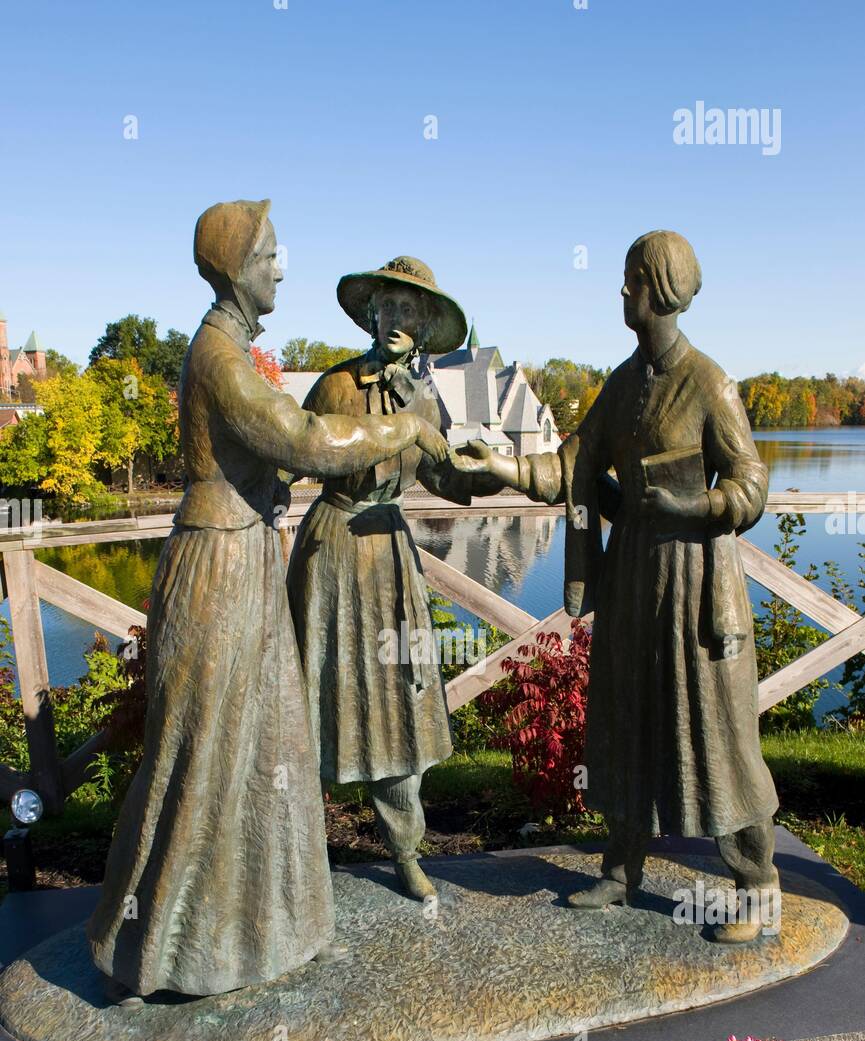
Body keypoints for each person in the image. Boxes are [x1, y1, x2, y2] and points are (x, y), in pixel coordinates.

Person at [87, 203, 449, 998]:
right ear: (237, 265)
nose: (282, 269)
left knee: (264, 746)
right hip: (220, 565)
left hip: (245, 553)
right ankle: (175, 947)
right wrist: (404, 429)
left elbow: (278, 458)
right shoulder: (221, 357)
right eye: (272, 256)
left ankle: (259, 931)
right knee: (211, 747)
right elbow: (309, 441)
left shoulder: (233, 353)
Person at [453, 230, 780, 943]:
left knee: (714, 733)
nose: (621, 292)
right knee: (625, 720)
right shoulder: (623, 382)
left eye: (630, 279)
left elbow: (751, 486)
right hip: (633, 577)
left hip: (694, 586)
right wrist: (506, 466)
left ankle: (756, 884)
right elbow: (572, 466)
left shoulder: (708, 383)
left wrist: (695, 507)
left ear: (658, 288)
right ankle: (621, 866)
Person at [288, 256, 500, 900]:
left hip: (390, 558)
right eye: (388, 306)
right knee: (307, 699)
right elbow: (301, 455)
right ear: (371, 313)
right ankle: (292, 853)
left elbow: (444, 477)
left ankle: (405, 850)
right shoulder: (334, 388)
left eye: (411, 310)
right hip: (332, 553)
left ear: (429, 325)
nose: (397, 320)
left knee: (399, 707)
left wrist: (494, 471)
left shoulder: (424, 397)